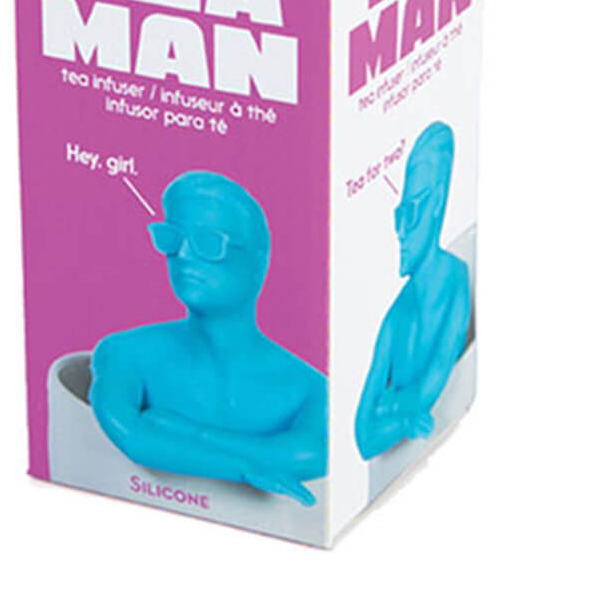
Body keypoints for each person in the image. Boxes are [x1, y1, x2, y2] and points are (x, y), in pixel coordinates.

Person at [90, 171, 326, 505]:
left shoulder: (311, 389)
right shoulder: (123, 353)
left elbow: (313, 455)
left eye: (209, 242)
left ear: (258, 263)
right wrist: (241, 467)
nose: (183, 255)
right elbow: (128, 431)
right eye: (172, 238)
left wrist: (186, 432)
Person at [355, 122, 470, 461]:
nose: (401, 230)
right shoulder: (395, 318)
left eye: (412, 212)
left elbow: (427, 393)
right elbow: (362, 438)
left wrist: (387, 405)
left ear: (437, 203)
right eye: (399, 215)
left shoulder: (456, 278)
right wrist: (404, 417)